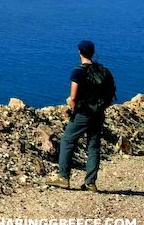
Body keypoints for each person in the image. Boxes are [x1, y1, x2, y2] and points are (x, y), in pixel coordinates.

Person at [48, 39, 116, 191]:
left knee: (67, 141)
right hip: (98, 113)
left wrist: (74, 111)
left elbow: (72, 97)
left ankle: (63, 177)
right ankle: (90, 182)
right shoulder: (103, 71)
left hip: (83, 113)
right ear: (93, 52)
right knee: (93, 145)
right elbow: (110, 94)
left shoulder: (78, 72)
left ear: (79, 52)